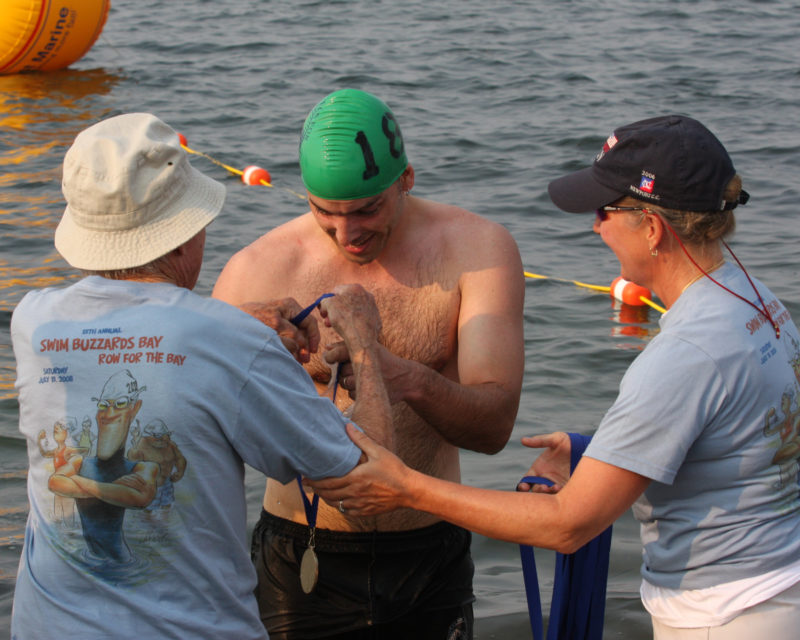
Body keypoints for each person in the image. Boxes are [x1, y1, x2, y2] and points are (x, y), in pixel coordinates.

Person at [309, 115, 800, 639]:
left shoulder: (685, 355)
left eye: (604, 210)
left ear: (652, 228)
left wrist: (404, 487)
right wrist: (599, 454)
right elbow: (742, 441)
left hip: (725, 615)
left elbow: (568, 524)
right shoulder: (757, 301)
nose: (595, 226)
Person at [10, 112, 392, 639]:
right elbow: (368, 474)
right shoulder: (228, 340)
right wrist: (366, 347)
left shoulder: (32, 320)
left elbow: (147, 332)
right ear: (183, 233)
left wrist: (236, 326)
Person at [213, 88, 525, 639]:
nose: (346, 233)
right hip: (299, 554)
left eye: (366, 210)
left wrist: (403, 377)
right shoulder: (257, 268)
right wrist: (232, 341)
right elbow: (196, 427)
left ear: (405, 179)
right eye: (324, 213)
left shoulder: (478, 251)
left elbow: (494, 426)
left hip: (430, 551)